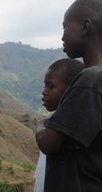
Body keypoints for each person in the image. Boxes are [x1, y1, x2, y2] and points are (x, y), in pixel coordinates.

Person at [36, 0, 102, 192]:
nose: (62, 36)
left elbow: (48, 143)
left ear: (85, 26)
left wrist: (41, 125)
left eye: (65, 26)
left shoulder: (91, 80)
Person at [34, 58, 85, 192]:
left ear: (71, 90)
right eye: (45, 86)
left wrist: (41, 123)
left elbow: (45, 144)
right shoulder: (54, 127)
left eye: (51, 86)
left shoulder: (54, 129)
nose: (44, 91)